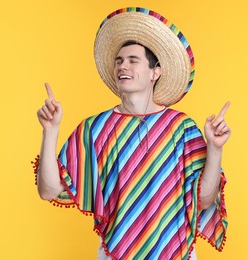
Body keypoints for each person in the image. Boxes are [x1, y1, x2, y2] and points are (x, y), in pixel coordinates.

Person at [32, 7, 230, 260]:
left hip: (174, 253)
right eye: (118, 60)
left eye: (132, 60)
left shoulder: (181, 128)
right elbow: (48, 190)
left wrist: (215, 148)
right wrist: (50, 131)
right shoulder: (95, 128)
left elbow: (203, 199)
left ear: (154, 72)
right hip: (115, 253)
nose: (122, 66)